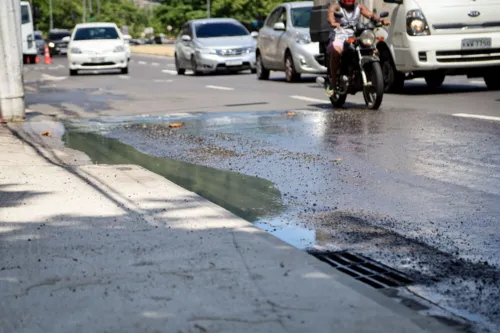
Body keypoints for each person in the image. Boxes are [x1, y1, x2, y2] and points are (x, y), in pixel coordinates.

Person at [326, 0, 391, 97]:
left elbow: (370, 14)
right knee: (336, 50)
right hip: (339, 35)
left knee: (373, 49)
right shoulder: (336, 7)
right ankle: (333, 83)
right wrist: (333, 22)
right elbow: (330, 16)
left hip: (355, 35)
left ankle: (372, 76)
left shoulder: (359, 7)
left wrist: (380, 20)